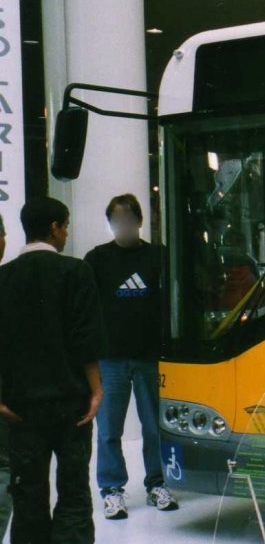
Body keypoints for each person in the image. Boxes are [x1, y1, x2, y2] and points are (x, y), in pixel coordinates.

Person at [0, 197, 104, 544]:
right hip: (71, 405)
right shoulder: (76, 272)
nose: (66, 233)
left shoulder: (3, 278)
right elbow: (85, 339)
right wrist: (96, 389)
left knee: (28, 497)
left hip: (20, 409)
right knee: (74, 492)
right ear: (56, 228)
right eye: (65, 226)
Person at [84, 194, 179, 520]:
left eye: (127, 219)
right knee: (109, 429)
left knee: (154, 426)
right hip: (110, 357)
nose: (122, 226)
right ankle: (112, 489)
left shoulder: (158, 256)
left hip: (149, 356)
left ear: (139, 221)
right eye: (116, 221)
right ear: (110, 223)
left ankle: (157, 483)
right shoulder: (97, 259)